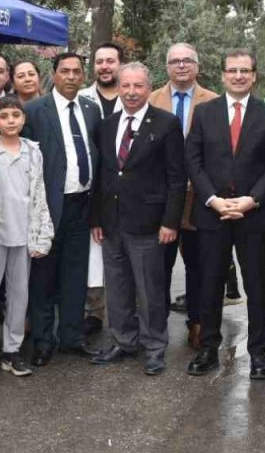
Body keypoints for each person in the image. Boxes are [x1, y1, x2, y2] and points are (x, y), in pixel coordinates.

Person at [185, 50, 265, 380]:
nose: (238, 76)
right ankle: (208, 349)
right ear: (223, 75)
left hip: (253, 216)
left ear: (254, 76)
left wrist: (251, 200)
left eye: (245, 70)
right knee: (210, 284)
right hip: (212, 214)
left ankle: (258, 354)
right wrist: (212, 199)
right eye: (232, 70)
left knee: (256, 287)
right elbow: (193, 161)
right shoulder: (204, 112)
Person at [89, 62, 186, 376]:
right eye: (126, 85)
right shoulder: (106, 125)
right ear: (119, 87)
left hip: (149, 223)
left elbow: (176, 178)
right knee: (117, 288)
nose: (131, 92)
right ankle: (123, 341)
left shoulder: (167, 124)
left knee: (149, 290)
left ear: (149, 88)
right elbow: (103, 175)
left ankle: (154, 346)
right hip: (111, 222)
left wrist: (170, 222)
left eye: (138, 86)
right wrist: (96, 218)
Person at [21, 52, 103, 366]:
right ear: (53, 75)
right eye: (65, 71)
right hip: (48, 206)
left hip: (82, 205)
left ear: (83, 76)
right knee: (43, 277)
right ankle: (43, 341)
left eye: (76, 71)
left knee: (75, 274)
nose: (71, 77)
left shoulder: (91, 109)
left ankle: (72, 336)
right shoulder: (34, 110)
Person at [0, 97, 54, 376]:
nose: (11, 121)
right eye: (4, 116)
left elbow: (39, 192)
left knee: (19, 295)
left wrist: (42, 233)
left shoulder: (33, 151)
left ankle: (12, 351)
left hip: (24, 233)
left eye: (16, 115)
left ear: (23, 119)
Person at [150, 42, 220, 350]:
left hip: (199, 199)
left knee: (199, 266)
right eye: (175, 61)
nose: (181, 65)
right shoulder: (150, 100)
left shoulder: (215, 102)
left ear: (197, 66)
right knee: (158, 267)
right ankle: (156, 326)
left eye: (187, 60)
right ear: (166, 67)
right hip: (160, 200)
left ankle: (197, 324)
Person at [78, 42, 124, 335]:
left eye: (110, 61)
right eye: (99, 62)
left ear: (120, 64)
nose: (104, 66)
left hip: (126, 187)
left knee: (123, 251)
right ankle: (93, 311)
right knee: (93, 251)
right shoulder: (82, 98)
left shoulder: (133, 96)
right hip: (92, 184)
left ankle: (126, 312)